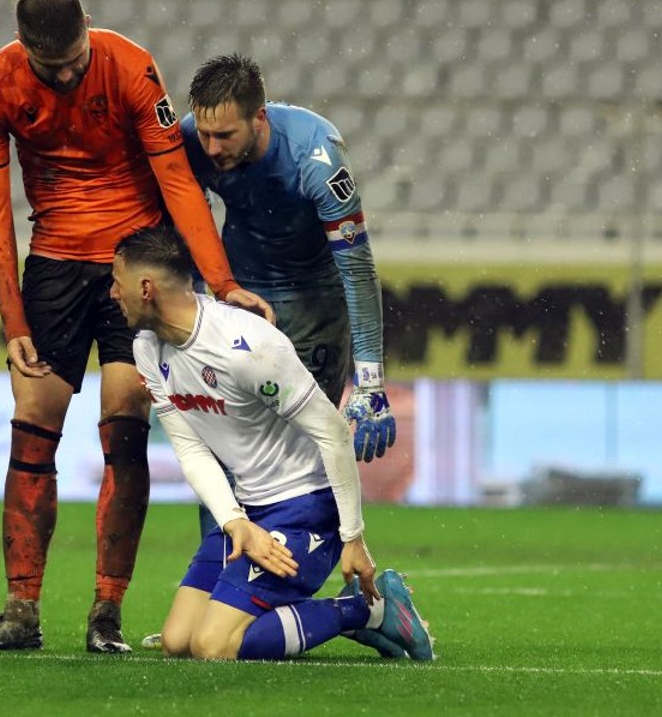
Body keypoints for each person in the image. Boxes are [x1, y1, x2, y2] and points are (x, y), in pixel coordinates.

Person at [0, 0, 271, 655]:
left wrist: (222, 281)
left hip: (137, 263)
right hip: (54, 264)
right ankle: (20, 611)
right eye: (48, 65)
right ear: (22, 44)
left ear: (89, 26)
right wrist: (12, 318)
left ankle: (105, 614)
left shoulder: (130, 66)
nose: (63, 75)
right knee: (32, 429)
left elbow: (176, 179)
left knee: (124, 427)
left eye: (72, 59)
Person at [139, 53, 398, 651]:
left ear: (261, 120)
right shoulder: (190, 141)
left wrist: (371, 380)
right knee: (222, 447)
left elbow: (356, 268)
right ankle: (232, 597)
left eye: (225, 134)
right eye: (203, 133)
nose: (212, 146)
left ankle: (322, 590)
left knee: (297, 458)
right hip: (239, 300)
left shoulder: (317, 154)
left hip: (312, 311)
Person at [110, 225, 434, 661]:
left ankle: (366, 609)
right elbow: (190, 449)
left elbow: (334, 432)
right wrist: (234, 523)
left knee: (214, 646)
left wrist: (353, 536)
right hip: (250, 511)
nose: (112, 293)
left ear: (146, 288)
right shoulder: (148, 349)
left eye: (117, 281)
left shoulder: (246, 348)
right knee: (179, 642)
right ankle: (293, 603)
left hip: (306, 507)